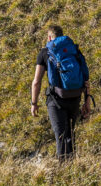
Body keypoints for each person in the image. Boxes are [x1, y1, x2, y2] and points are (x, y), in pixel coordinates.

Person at [30, 25, 92, 160]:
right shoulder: (73, 50)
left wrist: (34, 103)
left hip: (56, 99)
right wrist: (87, 100)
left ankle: (63, 168)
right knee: (70, 135)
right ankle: (72, 166)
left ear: (49, 37)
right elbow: (85, 77)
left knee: (61, 135)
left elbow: (36, 82)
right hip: (75, 96)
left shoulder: (45, 52)